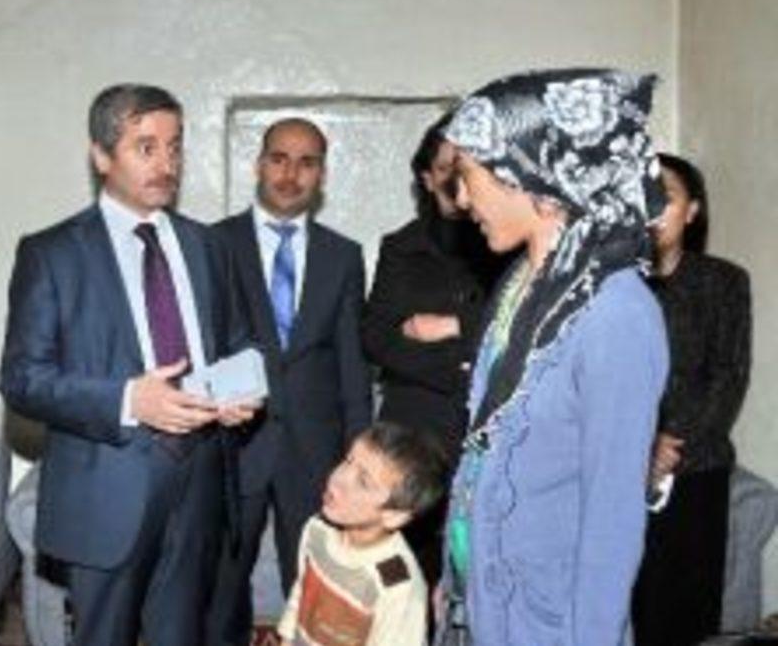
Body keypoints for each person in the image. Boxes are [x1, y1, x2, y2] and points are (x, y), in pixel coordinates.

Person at [0, 83, 258, 646]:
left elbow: (239, 342)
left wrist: (242, 390)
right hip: (104, 491)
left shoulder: (208, 246)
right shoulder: (52, 253)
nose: (166, 164)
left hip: (200, 487)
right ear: (100, 155)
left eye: (175, 147)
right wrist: (128, 400)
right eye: (146, 147)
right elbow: (22, 380)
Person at [435, 69, 670, 646]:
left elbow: (613, 515)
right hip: (482, 606)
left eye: (468, 176)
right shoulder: (522, 284)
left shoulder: (617, 312)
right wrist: (457, 575)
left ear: (527, 175)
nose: (461, 199)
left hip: (549, 624)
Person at [208, 117, 372, 644]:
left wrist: (359, 458)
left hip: (315, 451)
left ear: (321, 175)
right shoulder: (213, 244)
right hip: (233, 445)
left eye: (306, 163)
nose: (290, 174)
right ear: (259, 165)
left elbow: (352, 363)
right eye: (279, 159)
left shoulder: (342, 256)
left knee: (316, 591)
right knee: (218, 591)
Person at [361, 114, 504, 598]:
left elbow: (512, 332)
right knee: (405, 567)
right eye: (446, 168)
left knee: (477, 564)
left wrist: (451, 325)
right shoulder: (400, 247)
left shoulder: (502, 240)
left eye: (467, 167)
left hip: (484, 424)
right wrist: (463, 361)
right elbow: (378, 339)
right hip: (414, 426)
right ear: (427, 177)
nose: (457, 180)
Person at [632, 153, 752, 646]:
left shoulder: (723, 281)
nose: (654, 205)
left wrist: (667, 444)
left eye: (667, 195)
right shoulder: (610, 284)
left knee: (684, 613)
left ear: (693, 210)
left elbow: (729, 375)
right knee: (624, 604)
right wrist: (641, 444)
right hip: (619, 464)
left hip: (696, 468)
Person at [278, 422, 448, 646]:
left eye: (363, 482)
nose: (338, 479)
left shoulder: (397, 587)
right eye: (348, 461)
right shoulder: (318, 529)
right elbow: (300, 596)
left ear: (394, 516)